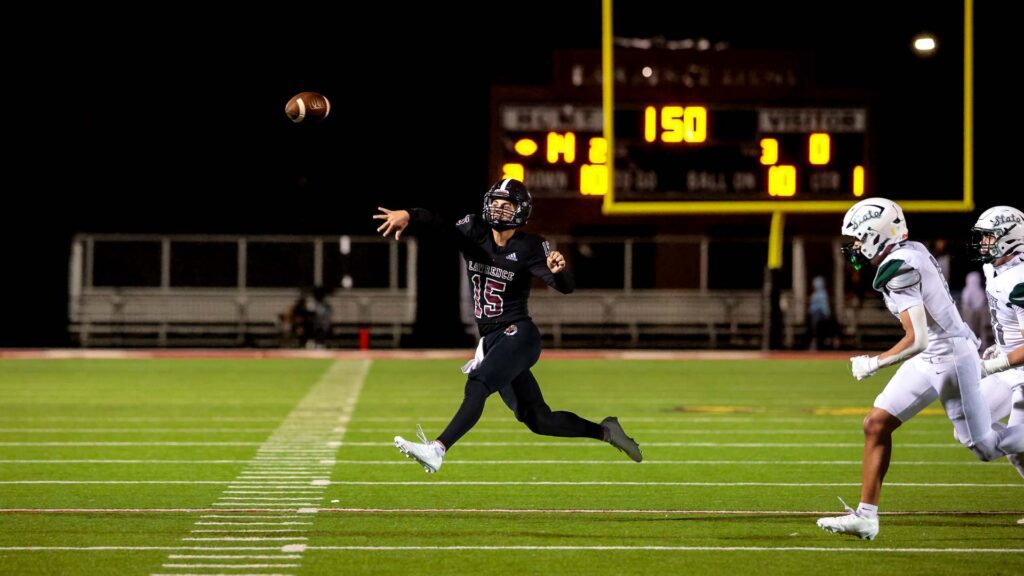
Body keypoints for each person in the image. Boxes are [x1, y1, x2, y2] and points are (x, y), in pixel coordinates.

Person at [373, 178, 642, 473]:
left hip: (519, 334)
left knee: (478, 383)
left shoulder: (529, 246)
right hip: (493, 340)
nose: (499, 209)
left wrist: (559, 271)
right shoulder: (474, 231)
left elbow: (565, 287)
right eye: (495, 203)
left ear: (521, 210)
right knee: (539, 419)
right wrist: (410, 215)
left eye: (507, 205)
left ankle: (437, 449)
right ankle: (606, 431)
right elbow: (439, 224)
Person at [816, 198, 1024, 540]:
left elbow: (917, 338)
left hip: (950, 358)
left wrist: (874, 362)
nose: (854, 246)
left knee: (984, 447)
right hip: (932, 356)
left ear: (876, 235)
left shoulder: (900, 268)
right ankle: (866, 517)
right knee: (876, 424)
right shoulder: (909, 251)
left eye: (858, 238)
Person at [969, 206, 1024, 502]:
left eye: (988, 237)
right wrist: (1000, 347)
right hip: (1009, 367)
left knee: (1009, 449)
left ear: (1009, 239)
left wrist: (992, 365)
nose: (983, 243)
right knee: (969, 427)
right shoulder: (993, 267)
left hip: (1019, 370)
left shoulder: (1020, 279)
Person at [961, 271, 992, 350]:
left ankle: (976, 346)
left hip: (974, 315)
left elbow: (966, 302)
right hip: (976, 314)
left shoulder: (968, 290)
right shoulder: (979, 291)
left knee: (974, 330)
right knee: (978, 330)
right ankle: (979, 346)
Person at [807, 276, 832, 350]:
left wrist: (827, 314)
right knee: (813, 325)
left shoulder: (823, 294)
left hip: (821, 316)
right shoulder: (814, 295)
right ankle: (814, 341)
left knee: (819, 325)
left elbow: (825, 306)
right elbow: (811, 307)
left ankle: (821, 341)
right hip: (815, 316)